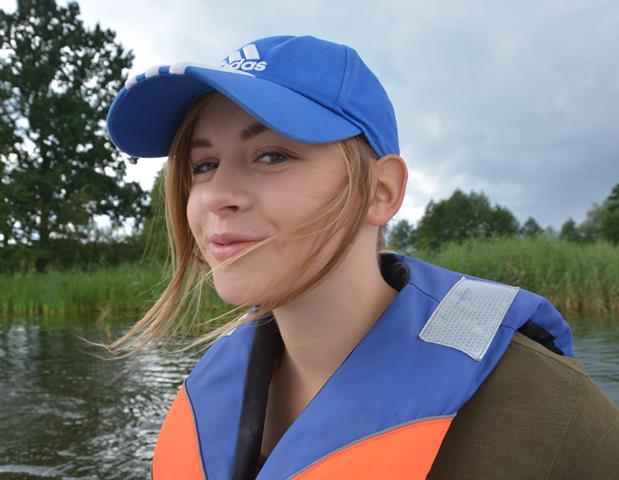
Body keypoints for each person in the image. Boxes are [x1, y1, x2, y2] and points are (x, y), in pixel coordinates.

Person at [106, 35, 619, 479]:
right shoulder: (208, 399)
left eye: (272, 155)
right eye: (204, 164)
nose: (217, 195)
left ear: (381, 191)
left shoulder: (547, 409)